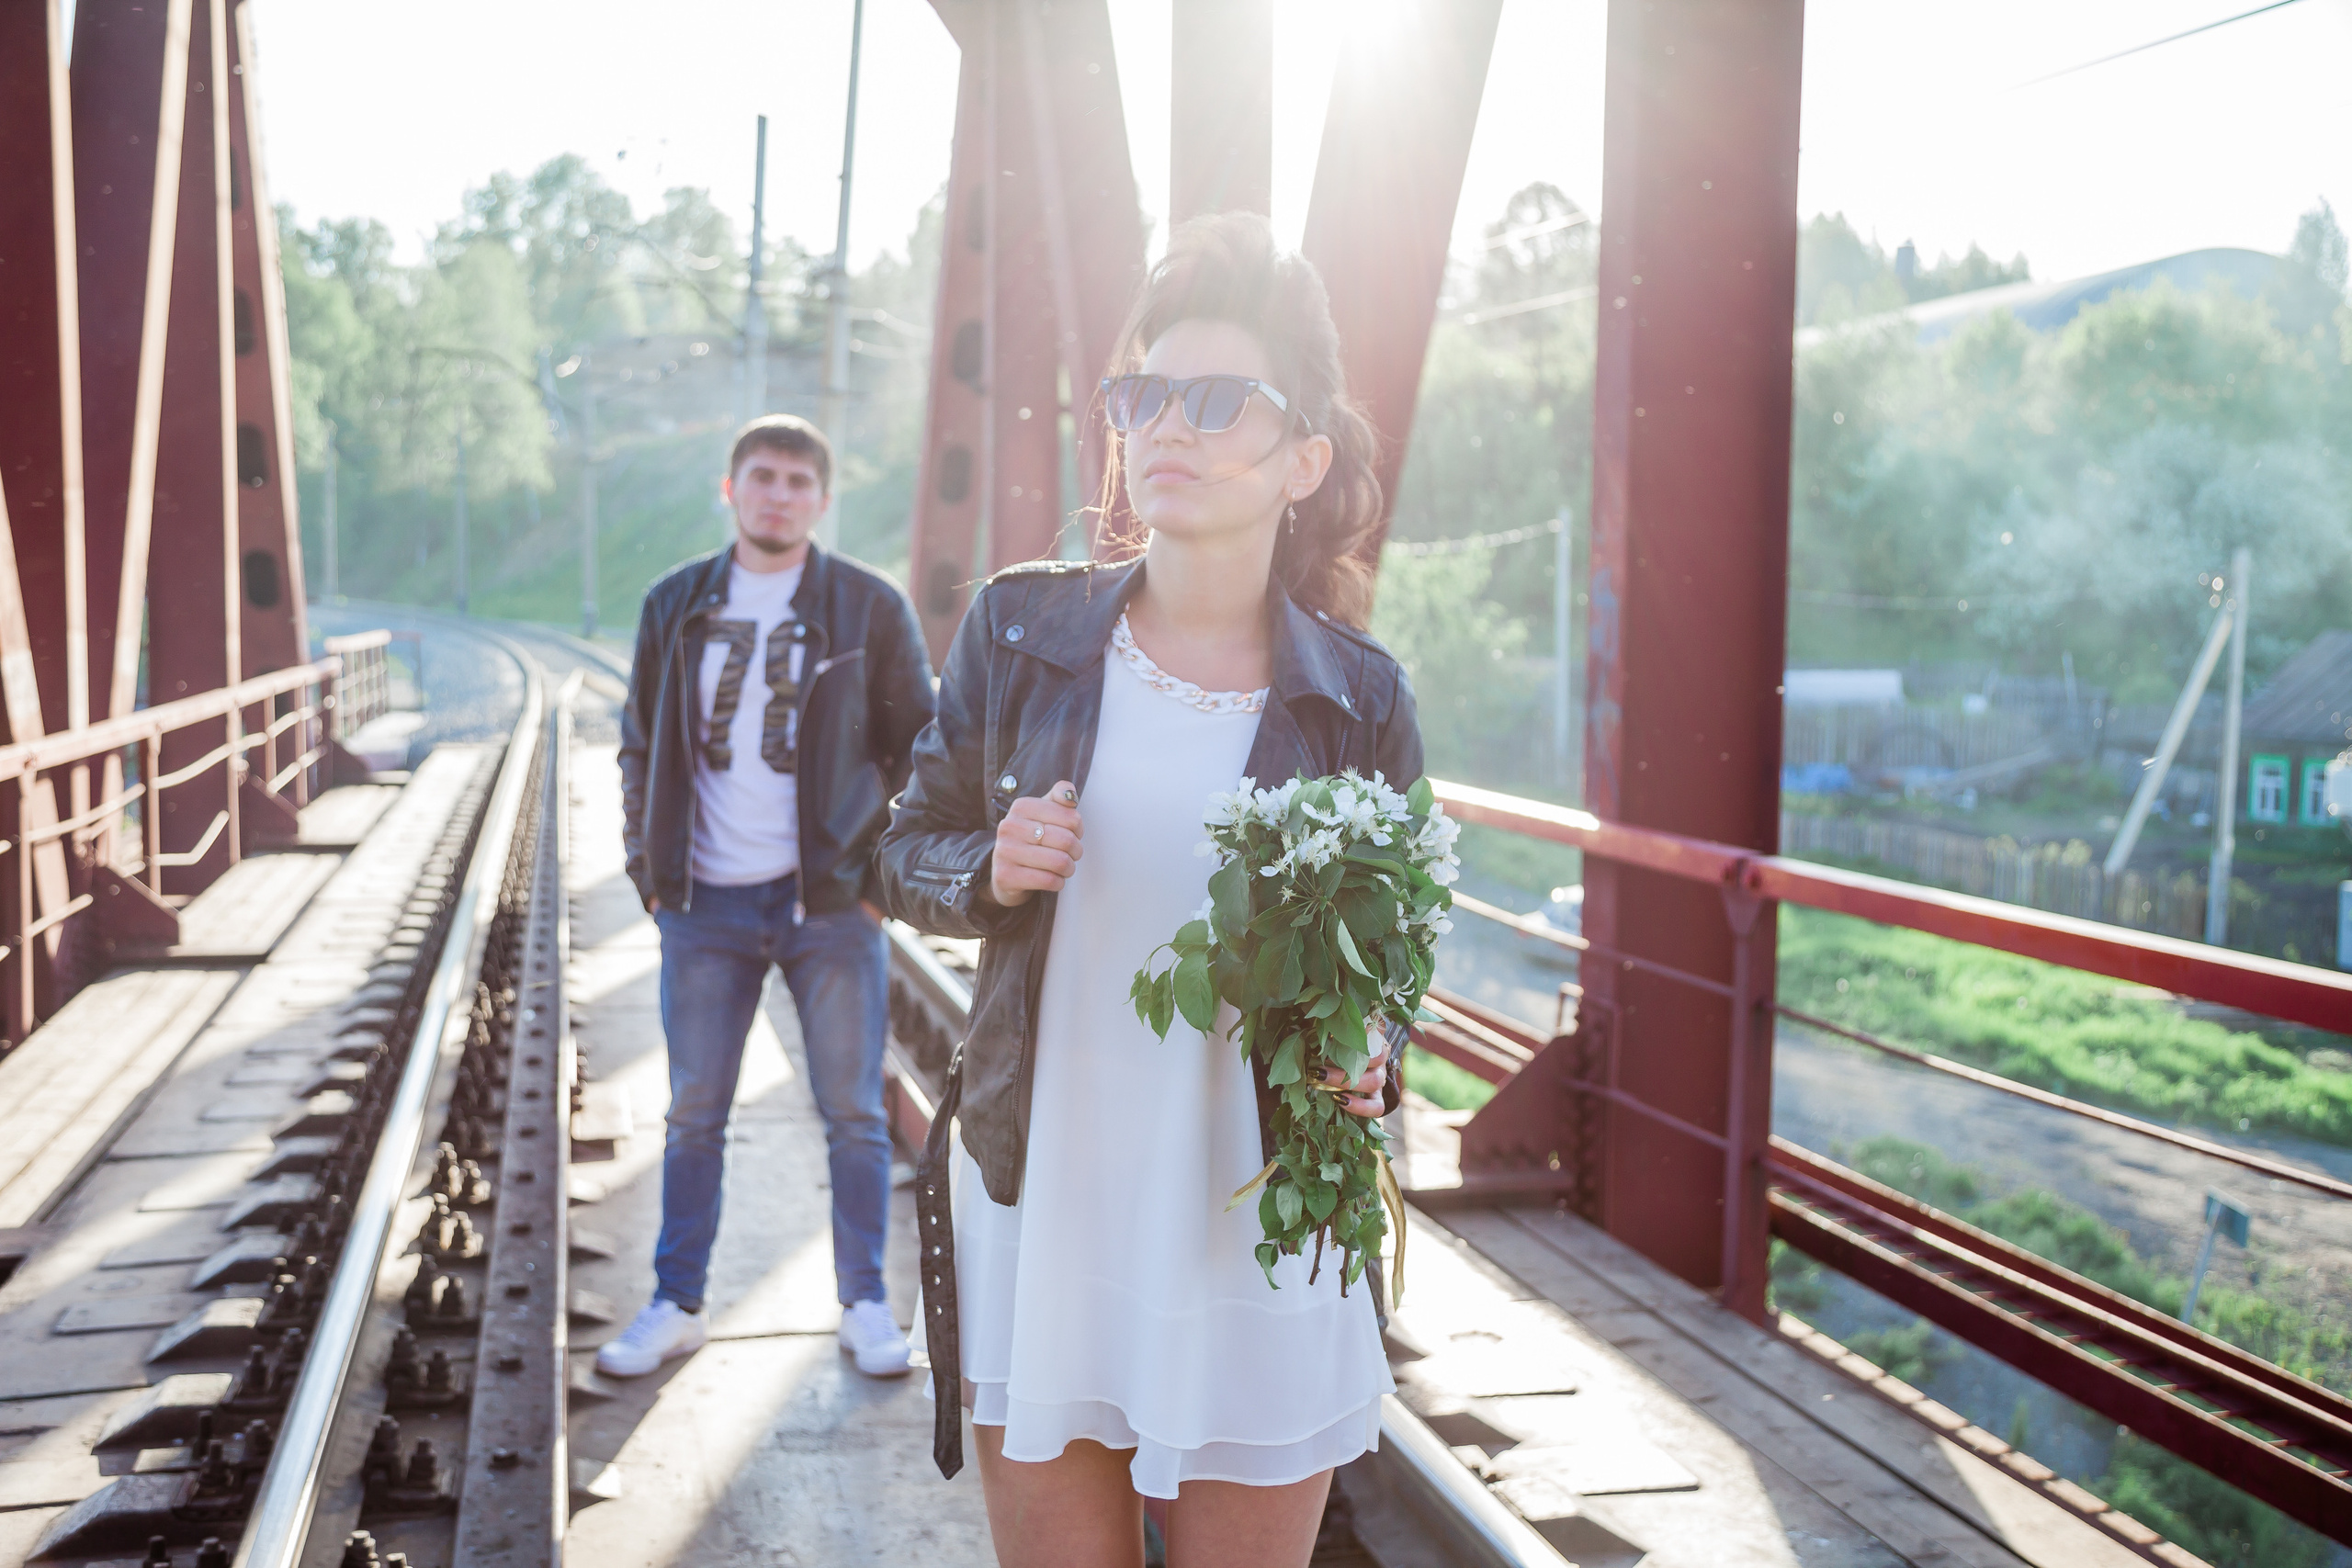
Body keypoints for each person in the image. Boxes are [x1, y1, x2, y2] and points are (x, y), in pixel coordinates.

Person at [876, 213, 1422, 1568]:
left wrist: (1375, 1055)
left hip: (1255, 1213)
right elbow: (898, 848)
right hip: (1048, 1202)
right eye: (1144, 395)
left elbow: (1396, 959)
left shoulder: (1361, 696)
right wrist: (987, 867)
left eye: (1217, 398)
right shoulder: (1020, 631)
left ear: (1305, 458)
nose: (1166, 425)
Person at [604, 415, 936, 1381]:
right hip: (703, 908)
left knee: (855, 1115)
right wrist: (651, 877)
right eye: (763, 477)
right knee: (694, 1112)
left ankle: (866, 1304)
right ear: (730, 488)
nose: (779, 494)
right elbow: (636, 744)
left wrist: (876, 884)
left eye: (798, 481)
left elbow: (921, 750)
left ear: (821, 500)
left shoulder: (867, 609)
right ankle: (676, 1303)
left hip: (828, 908)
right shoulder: (673, 604)